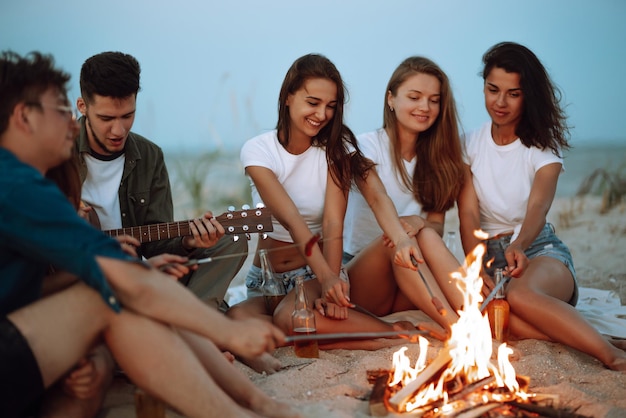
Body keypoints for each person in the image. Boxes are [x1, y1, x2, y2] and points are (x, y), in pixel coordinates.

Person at [0, 50, 299, 418]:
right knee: (121, 293)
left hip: (35, 314)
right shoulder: (19, 183)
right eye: (61, 112)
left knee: (91, 379)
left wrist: (171, 249)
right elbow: (123, 283)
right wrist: (231, 334)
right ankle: (243, 407)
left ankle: (255, 402)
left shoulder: (143, 157)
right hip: (29, 324)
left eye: (128, 116)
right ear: (23, 116)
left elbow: (23, 286)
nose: (71, 125)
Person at [228, 53, 423, 357]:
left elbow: (333, 224)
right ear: (288, 96)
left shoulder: (334, 151)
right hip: (265, 282)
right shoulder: (258, 151)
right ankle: (368, 338)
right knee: (237, 318)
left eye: (331, 106)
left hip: (312, 273)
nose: (322, 114)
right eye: (313, 102)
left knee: (292, 320)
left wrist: (329, 278)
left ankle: (396, 332)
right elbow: (291, 220)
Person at [457, 41, 626, 372]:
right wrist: (475, 265)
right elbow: (467, 214)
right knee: (493, 323)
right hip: (486, 254)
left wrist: (519, 244)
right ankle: (599, 339)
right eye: (493, 90)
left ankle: (613, 357)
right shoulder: (469, 145)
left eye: (513, 93)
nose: (500, 102)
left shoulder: (543, 148)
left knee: (519, 298)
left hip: (539, 248)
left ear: (528, 95)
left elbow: (538, 208)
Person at [76, 51, 246, 311]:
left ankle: (192, 322)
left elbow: (155, 243)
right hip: (76, 274)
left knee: (230, 241)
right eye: (106, 118)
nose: (119, 130)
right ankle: (197, 324)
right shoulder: (55, 150)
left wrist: (190, 241)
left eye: (127, 115)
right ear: (82, 107)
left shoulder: (149, 156)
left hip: (137, 272)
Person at [343, 56, 466, 333]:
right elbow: (377, 198)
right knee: (403, 239)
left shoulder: (440, 158)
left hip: (409, 283)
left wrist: (419, 222)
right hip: (363, 278)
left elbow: (435, 226)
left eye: (434, 100)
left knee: (423, 234)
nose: (425, 107)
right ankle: (460, 329)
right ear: (391, 98)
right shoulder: (364, 146)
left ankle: (473, 316)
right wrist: (404, 229)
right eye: (415, 97)